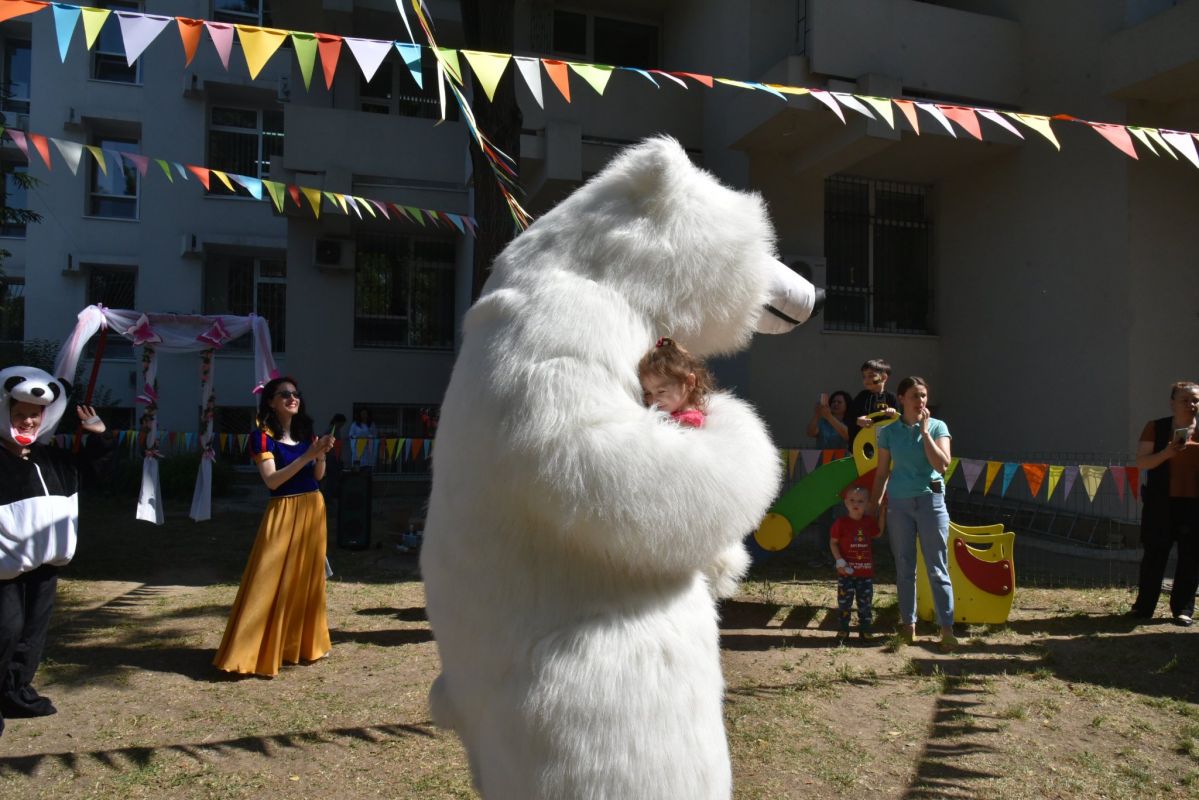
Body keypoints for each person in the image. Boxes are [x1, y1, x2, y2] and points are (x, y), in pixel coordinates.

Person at [1, 365, 112, 737]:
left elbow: (95, 474)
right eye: (19, 414)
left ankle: (16, 692)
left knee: (32, 632)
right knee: (6, 629)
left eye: (34, 415)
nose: (27, 421)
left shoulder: (52, 457)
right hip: (5, 567)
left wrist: (97, 436)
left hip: (46, 563)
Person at [213, 376, 336, 677]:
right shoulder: (261, 437)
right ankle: (249, 651)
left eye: (295, 394)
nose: (292, 398)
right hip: (283, 510)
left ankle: (298, 646)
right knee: (267, 580)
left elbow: (318, 476)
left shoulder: (307, 434)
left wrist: (319, 456)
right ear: (270, 401)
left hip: (312, 508)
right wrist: (308, 455)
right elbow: (272, 480)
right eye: (284, 394)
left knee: (305, 580)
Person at [868, 376, 956, 651]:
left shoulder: (938, 427)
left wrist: (926, 432)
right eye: (916, 396)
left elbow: (942, 465)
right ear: (902, 399)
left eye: (924, 396)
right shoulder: (889, 433)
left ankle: (946, 628)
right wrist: (874, 506)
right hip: (899, 505)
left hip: (931, 502)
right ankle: (909, 626)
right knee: (905, 566)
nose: (921, 401)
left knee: (937, 566)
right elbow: (882, 473)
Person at [1131, 381, 1199, 626]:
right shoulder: (1156, 428)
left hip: (1194, 506)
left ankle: (1183, 610)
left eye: (1196, 400)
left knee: (1191, 558)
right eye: (1185, 400)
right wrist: (1167, 453)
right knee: (1154, 556)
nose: (1192, 404)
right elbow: (1142, 462)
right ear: (1172, 403)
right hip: (1161, 503)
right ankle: (1143, 608)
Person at [829, 486, 881, 643]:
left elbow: (878, 534)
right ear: (845, 503)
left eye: (860, 501)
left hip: (865, 573)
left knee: (865, 602)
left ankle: (865, 629)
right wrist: (839, 560)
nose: (855, 504)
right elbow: (833, 543)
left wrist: (883, 513)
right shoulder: (840, 523)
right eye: (852, 500)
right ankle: (843, 629)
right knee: (844, 602)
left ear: (867, 504)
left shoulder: (869, 522)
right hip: (846, 572)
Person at [638, 337, 712, 428]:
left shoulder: (687, 423)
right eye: (648, 393)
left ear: (689, 383)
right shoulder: (672, 413)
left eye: (661, 391)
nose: (654, 400)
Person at [848, 358, 899, 448]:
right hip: (863, 446)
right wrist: (858, 421)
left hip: (885, 447)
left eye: (871, 376)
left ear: (883, 377)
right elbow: (849, 418)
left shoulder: (891, 397)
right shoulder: (862, 396)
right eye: (864, 376)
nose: (866, 380)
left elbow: (900, 421)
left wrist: (893, 413)